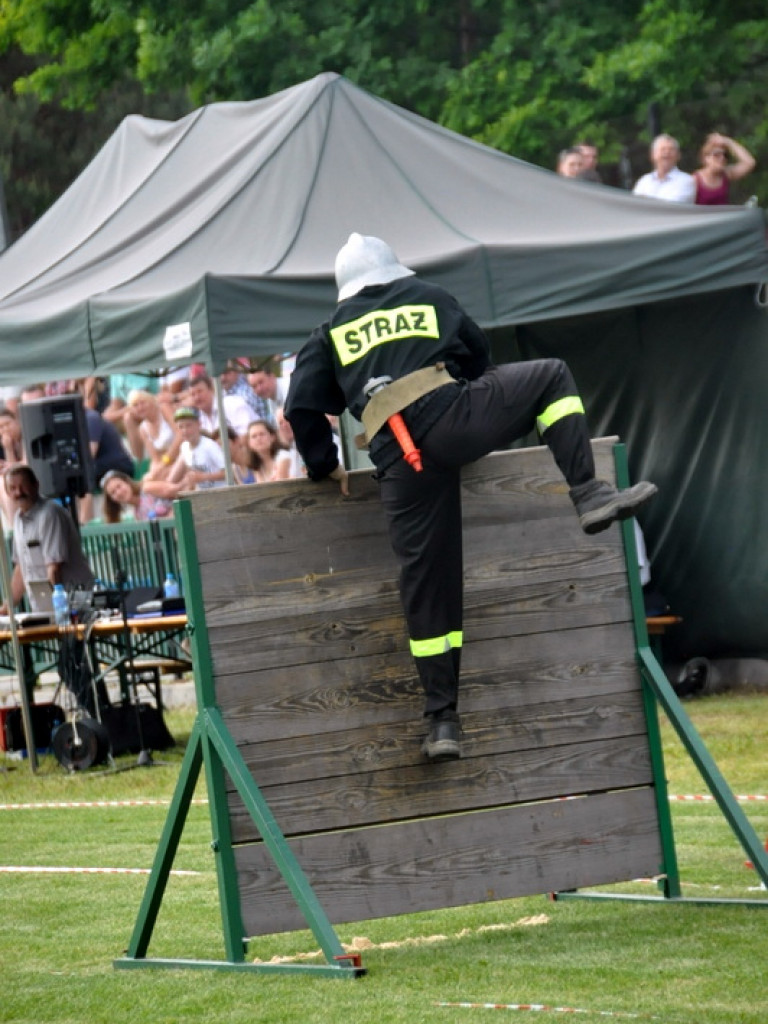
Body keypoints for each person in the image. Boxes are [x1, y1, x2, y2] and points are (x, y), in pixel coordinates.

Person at [285, 233, 658, 762]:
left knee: (428, 587)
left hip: (398, 461)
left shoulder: (329, 332)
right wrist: (473, 410)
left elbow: (300, 407)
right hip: (455, 421)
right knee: (552, 376)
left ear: (346, 290)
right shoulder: (430, 297)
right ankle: (588, 492)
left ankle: (442, 722)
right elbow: (480, 360)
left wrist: (323, 466)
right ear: (397, 272)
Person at [0, 464, 95, 616]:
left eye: (23, 486)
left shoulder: (50, 514)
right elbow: (20, 569)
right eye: (12, 488)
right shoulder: (18, 518)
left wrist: (58, 608)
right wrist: (7, 607)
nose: (18, 492)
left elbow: (54, 568)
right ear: (7, 492)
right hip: (49, 607)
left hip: (73, 603)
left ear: (35, 485)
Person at [143, 406, 226, 498]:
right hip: (203, 496)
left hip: (221, 494)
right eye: (181, 427)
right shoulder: (185, 447)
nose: (185, 431)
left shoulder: (209, 445)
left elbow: (228, 473)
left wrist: (204, 477)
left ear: (199, 424)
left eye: (189, 425)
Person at [123, 389, 180, 479]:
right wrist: (155, 471)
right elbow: (155, 458)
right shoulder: (143, 429)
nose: (140, 408)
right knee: (149, 478)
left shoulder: (164, 409)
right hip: (167, 463)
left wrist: (165, 461)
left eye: (143, 403)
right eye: (135, 405)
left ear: (151, 401)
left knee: (164, 476)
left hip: (182, 456)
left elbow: (180, 435)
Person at [693, 133, 756, 206]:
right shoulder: (695, 180)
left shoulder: (726, 174)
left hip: (725, 217)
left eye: (725, 155)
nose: (722, 158)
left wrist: (728, 142)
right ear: (706, 158)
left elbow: (749, 163)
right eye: (717, 155)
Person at [632, 134, 695, 203]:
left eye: (671, 150)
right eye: (662, 149)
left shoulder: (686, 181)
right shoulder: (644, 181)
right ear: (653, 155)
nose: (667, 153)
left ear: (678, 156)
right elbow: (635, 205)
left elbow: (672, 206)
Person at [187, 373, 252, 439]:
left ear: (211, 390)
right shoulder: (200, 418)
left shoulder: (232, 404)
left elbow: (247, 434)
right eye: (193, 394)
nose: (197, 397)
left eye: (200, 391)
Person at [100, 469, 173, 523]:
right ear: (113, 500)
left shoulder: (147, 489)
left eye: (119, 486)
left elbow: (176, 495)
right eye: (113, 492)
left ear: (127, 482)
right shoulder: (137, 515)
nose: (118, 492)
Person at [240, 419, 292, 484]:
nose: (258, 438)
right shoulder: (256, 466)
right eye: (254, 436)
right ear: (249, 443)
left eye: (262, 434)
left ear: (272, 437)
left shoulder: (283, 456)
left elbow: (279, 487)